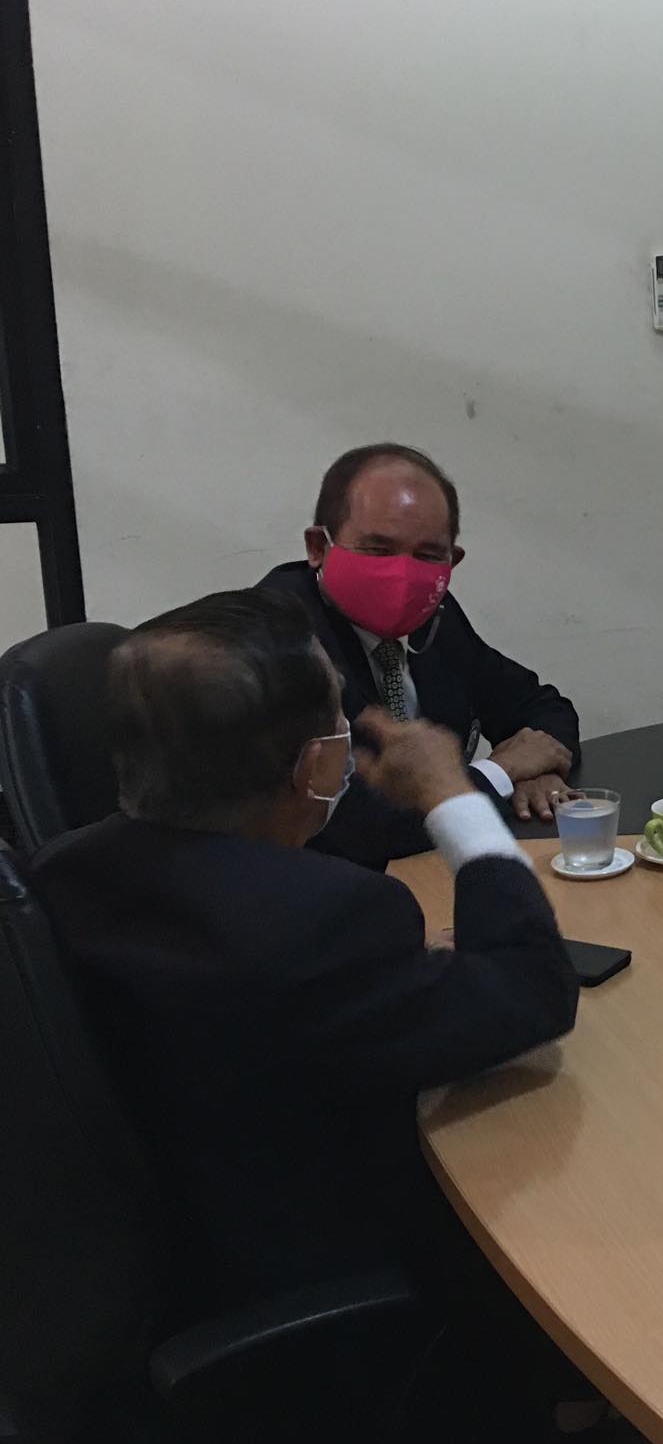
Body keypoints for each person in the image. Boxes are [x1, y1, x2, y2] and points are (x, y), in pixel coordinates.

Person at [31, 588, 578, 1315]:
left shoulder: (56, 873)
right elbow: (536, 987)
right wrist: (451, 794)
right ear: (314, 767)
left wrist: (396, 981)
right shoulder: (329, 918)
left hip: (146, 1266)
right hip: (327, 1273)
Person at [259, 442, 580, 868]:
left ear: (452, 561)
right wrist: (501, 773)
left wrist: (538, 771)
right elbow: (358, 826)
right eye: (378, 549)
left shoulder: (435, 616)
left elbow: (541, 708)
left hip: (435, 873)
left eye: (428, 556)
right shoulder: (278, 642)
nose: (403, 575)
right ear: (318, 546)